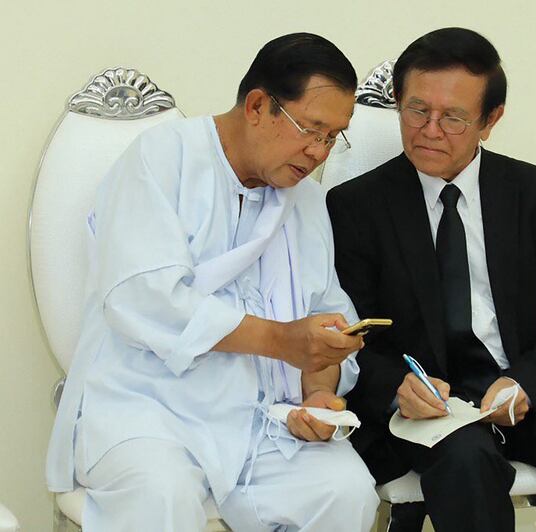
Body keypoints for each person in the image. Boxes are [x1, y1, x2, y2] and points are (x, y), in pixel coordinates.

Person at [46, 33, 379, 532]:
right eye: (311, 130)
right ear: (258, 106)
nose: (318, 153)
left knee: (345, 491)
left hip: (259, 419)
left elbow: (325, 310)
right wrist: (282, 341)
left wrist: (316, 393)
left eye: (334, 137)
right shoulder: (163, 158)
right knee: (161, 495)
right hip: (146, 409)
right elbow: (145, 300)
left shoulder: (304, 200)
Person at [326, 27, 536, 532]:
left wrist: (526, 386)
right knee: (467, 467)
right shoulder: (356, 207)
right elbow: (347, 339)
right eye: (415, 110)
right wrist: (395, 388)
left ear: (490, 120)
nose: (429, 130)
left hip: (523, 393)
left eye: (452, 117)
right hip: (429, 410)